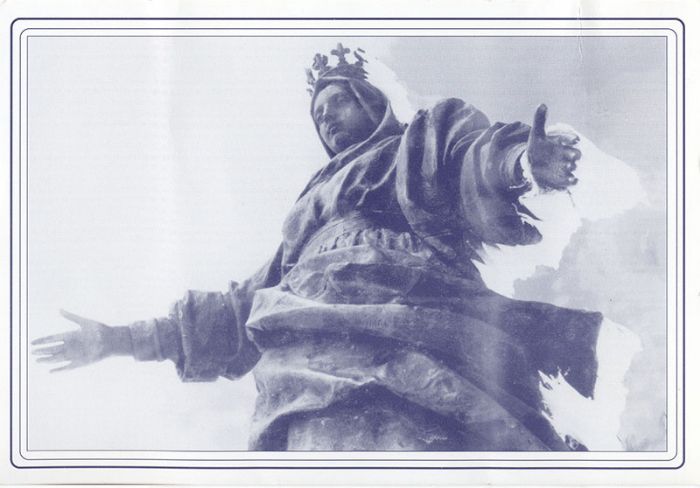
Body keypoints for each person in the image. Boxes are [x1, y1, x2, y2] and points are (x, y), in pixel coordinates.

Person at [33, 44, 600, 451]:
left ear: (371, 102)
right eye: (319, 116)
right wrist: (120, 339)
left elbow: (471, 158)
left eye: (338, 105)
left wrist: (522, 165)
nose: (327, 120)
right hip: (303, 349)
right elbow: (236, 309)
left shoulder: (414, 146)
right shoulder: (304, 221)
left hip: (410, 308)